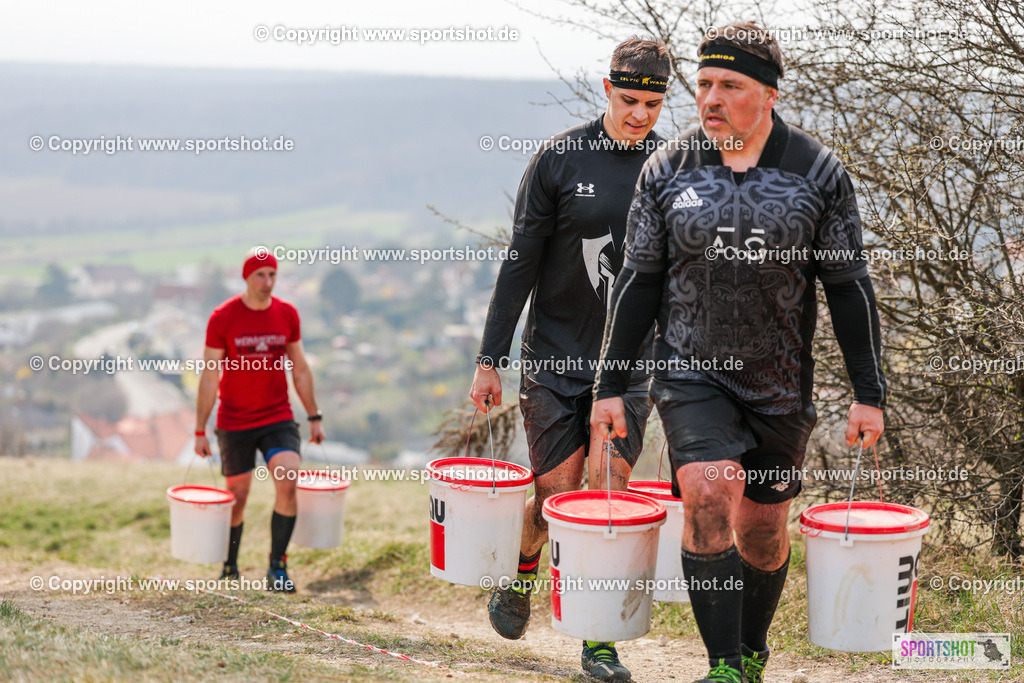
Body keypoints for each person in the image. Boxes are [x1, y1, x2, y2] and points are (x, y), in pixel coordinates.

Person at [591, 22, 886, 683]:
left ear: (769, 94)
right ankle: (722, 667)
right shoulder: (666, 169)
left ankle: (751, 654)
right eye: (702, 85)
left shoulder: (817, 173)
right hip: (690, 370)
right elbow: (637, 283)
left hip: (780, 381)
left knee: (761, 528)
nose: (711, 98)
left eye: (730, 85)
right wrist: (609, 384)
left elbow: (848, 287)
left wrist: (870, 393)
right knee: (707, 491)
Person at [468, 37, 671, 683]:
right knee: (556, 495)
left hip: (628, 368)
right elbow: (519, 261)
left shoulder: (672, 167)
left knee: (607, 498)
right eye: (629, 99)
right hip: (553, 359)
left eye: (653, 102)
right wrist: (488, 358)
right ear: (607, 90)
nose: (640, 114)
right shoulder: (560, 158)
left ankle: (598, 640)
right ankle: (523, 569)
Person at [195, 249, 325, 593]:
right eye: (260, 275)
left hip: (276, 415)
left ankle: (277, 567)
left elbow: (300, 368)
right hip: (234, 419)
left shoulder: (286, 314)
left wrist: (314, 416)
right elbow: (210, 376)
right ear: (246, 278)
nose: (267, 282)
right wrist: (199, 429)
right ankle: (230, 566)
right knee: (237, 496)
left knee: (287, 478)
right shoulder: (223, 317)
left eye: (272, 275)